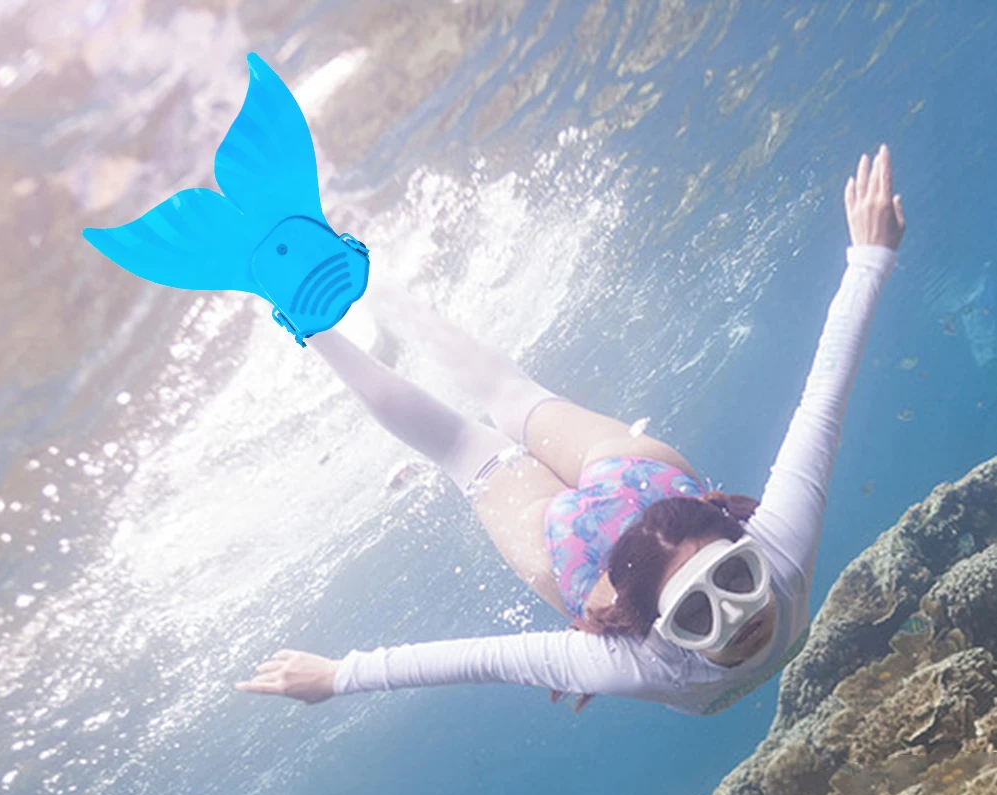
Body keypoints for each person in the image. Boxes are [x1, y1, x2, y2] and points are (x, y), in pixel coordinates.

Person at [236, 145, 905, 715]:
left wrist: (339, 674)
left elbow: (480, 659)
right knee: (465, 438)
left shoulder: (668, 634)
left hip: (636, 490)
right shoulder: (655, 647)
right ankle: (334, 300)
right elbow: (821, 405)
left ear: (743, 542)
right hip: (591, 535)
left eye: (732, 579)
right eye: (700, 609)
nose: (738, 618)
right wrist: (868, 258)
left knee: (499, 406)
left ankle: (321, 306)